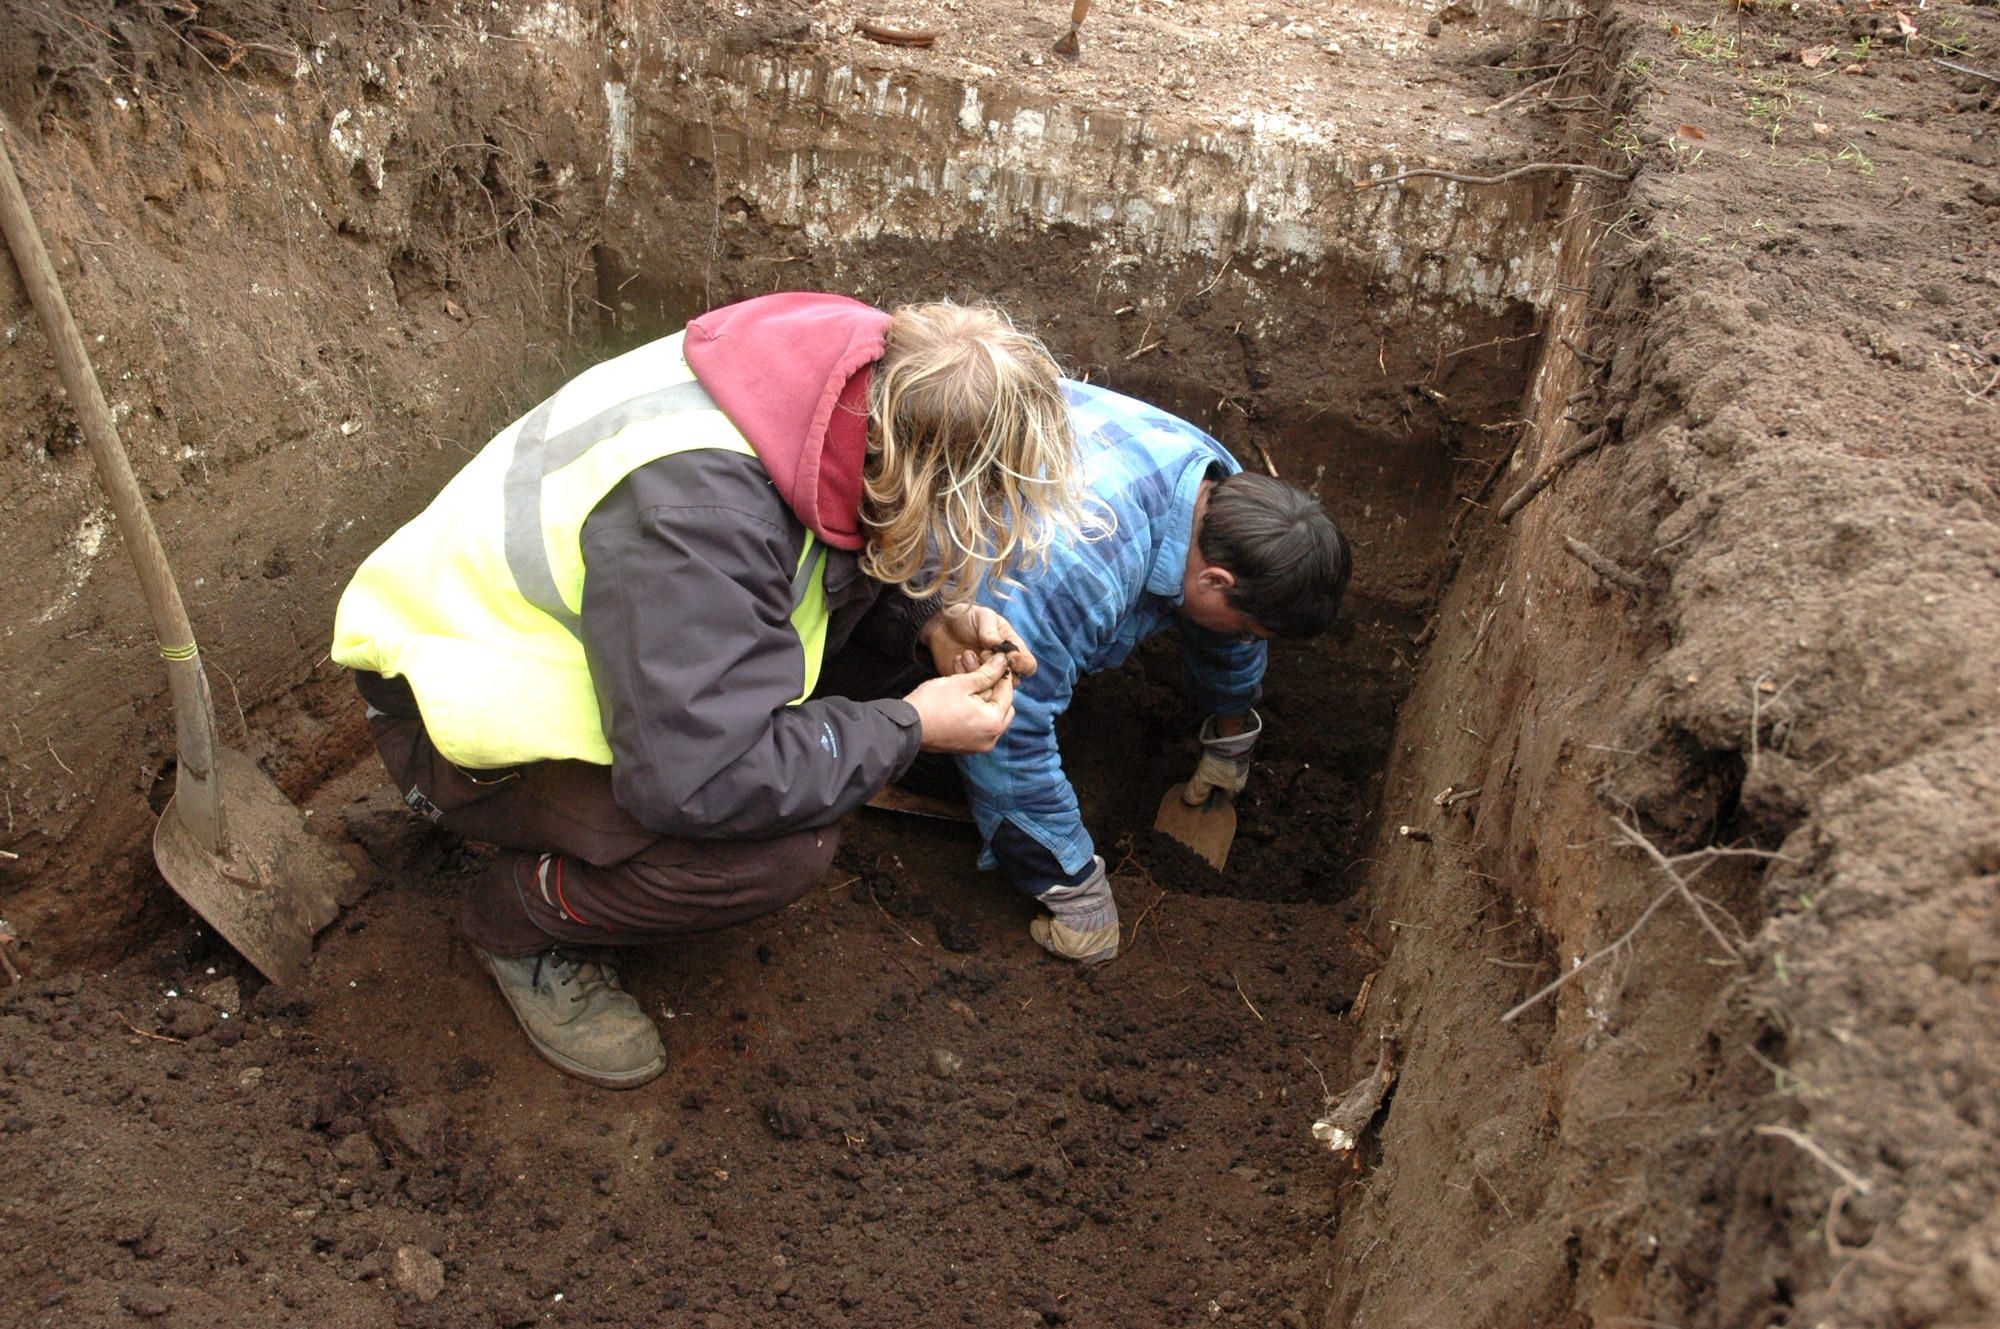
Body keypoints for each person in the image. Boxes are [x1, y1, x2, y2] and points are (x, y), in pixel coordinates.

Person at [330, 292, 1084, 1088]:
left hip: (559, 646)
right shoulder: (699, 517)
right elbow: (701, 780)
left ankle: (568, 845)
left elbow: (823, 551)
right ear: (920, 468)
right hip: (447, 716)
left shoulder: (846, 385)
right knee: (784, 843)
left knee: (824, 735)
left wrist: (926, 624)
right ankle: (522, 916)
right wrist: (907, 728)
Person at [941, 382, 1350, 965]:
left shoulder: (1220, 491)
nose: (1245, 641)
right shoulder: (1078, 574)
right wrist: (1071, 887)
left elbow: (1226, 632)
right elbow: (1006, 726)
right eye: (1250, 631)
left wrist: (1230, 736)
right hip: (918, 528)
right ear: (1215, 582)